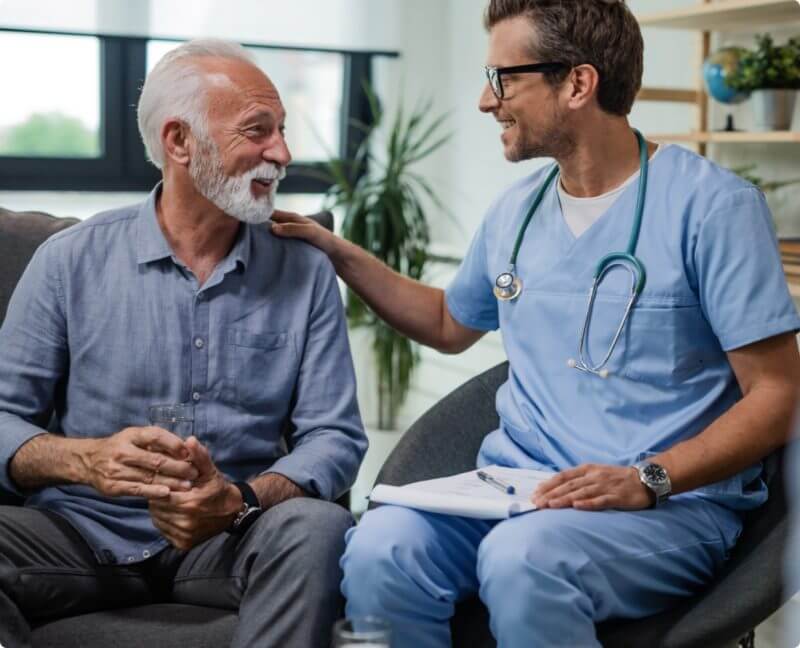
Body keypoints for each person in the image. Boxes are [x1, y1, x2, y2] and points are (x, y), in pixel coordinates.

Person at [269, 1, 800, 646]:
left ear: (577, 83)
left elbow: (778, 395)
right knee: (381, 546)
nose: (486, 102)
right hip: (518, 490)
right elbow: (446, 321)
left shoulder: (713, 208)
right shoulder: (516, 211)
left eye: (503, 79)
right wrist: (340, 253)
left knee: (524, 561)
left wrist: (649, 478)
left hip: (665, 506)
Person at [0, 39, 366, 648]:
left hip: (230, 538)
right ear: (179, 143)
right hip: (78, 531)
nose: (282, 152)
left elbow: (335, 435)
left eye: (281, 130)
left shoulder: (303, 270)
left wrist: (240, 501)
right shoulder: (68, 262)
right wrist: (83, 459)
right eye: (258, 131)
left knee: (320, 529)